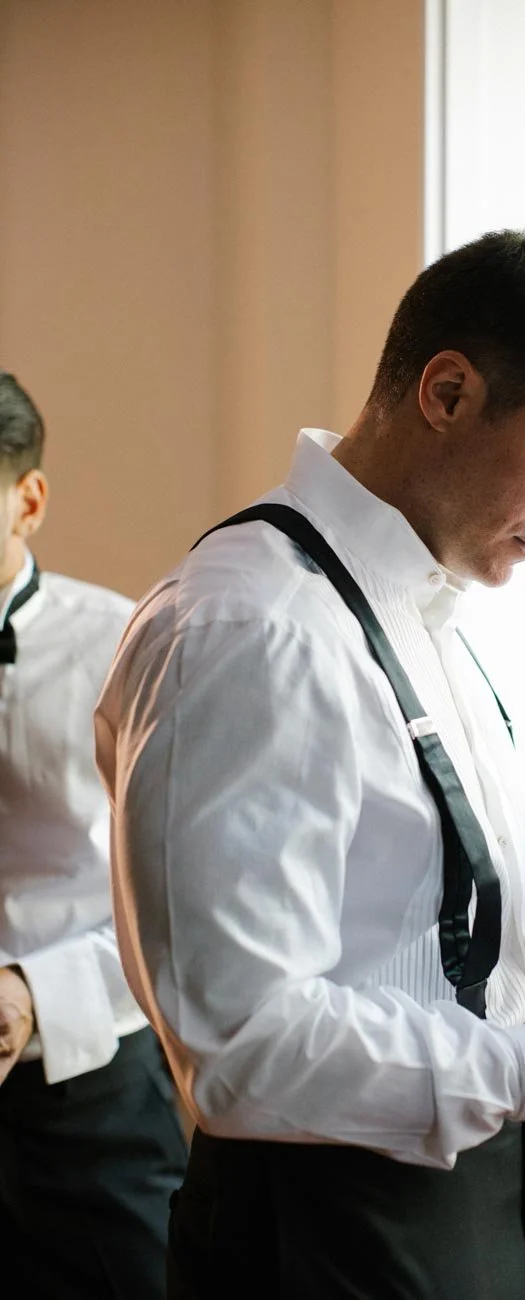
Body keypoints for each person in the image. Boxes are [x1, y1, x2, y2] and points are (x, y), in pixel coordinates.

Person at [93, 230, 525, 1299]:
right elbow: (246, 1042)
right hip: (323, 1246)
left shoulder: (413, 606)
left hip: (453, 1221)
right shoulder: (256, 627)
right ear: (446, 391)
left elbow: (396, 922)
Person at [0, 371, 189, 1299]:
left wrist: (33, 993)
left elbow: (182, 897)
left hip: (94, 1092)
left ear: (28, 501)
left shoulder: (127, 643)